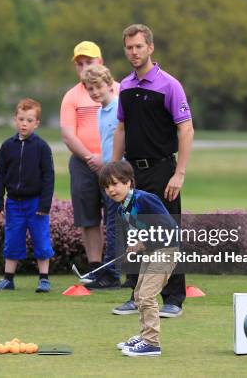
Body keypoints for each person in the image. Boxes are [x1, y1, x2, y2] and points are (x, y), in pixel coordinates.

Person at [112, 24, 194, 317]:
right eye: (129, 47)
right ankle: (136, 295)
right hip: (132, 173)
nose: (134, 52)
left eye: (138, 46)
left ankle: (174, 298)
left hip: (163, 170)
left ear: (150, 47)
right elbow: (121, 127)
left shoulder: (169, 85)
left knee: (168, 231)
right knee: (133, 231)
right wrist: (114, 167)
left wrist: (179, 172)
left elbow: (185, 129)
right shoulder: (125, 86)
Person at [99, 161, 177, 357]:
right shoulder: (121, 209)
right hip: (153, 251)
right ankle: (144, 336)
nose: (111, 189)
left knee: (147, 294)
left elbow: (167, 227)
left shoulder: (144, 199)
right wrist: (135, 245)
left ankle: (152, 343)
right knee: (139, 293)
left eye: (115, 184)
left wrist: (143, 243)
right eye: (107, 186)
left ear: (128, 183)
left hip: (167, 249)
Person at [60, 41, 119, 277]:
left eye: (89, 62)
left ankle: (115, 267)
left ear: (100, 62)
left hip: (114, 163)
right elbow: (68, 134)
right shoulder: (71, 96)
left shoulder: (119, 90)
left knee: (116, 217)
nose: (84, 67)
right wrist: (89, 157)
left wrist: (106, 158)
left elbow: (124, 130)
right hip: (82, 163)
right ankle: (96, 267)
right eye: (80, 64)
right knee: (89, 217)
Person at [0, 98, 55, 293]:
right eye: (21, 119)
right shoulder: (7, 146)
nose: (24, 123)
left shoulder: (42, 147)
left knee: (41, 240)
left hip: (36, 204)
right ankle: (8, 279)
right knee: (12, 239)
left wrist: (45, 205)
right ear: (15, 120)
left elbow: (48, 176)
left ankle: (44, 279)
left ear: (37, 123)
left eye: (29, 120)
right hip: (13, 204)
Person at [80, 65, 121, 289]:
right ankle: (112, 272)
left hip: (121, 175)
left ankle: (112, 275)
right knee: (112, 224)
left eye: (97, 87)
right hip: (108, 174)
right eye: (89, 89)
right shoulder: (100, 111)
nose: (94, 92)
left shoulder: (119, 108)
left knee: (116, 225)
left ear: (109, 84)